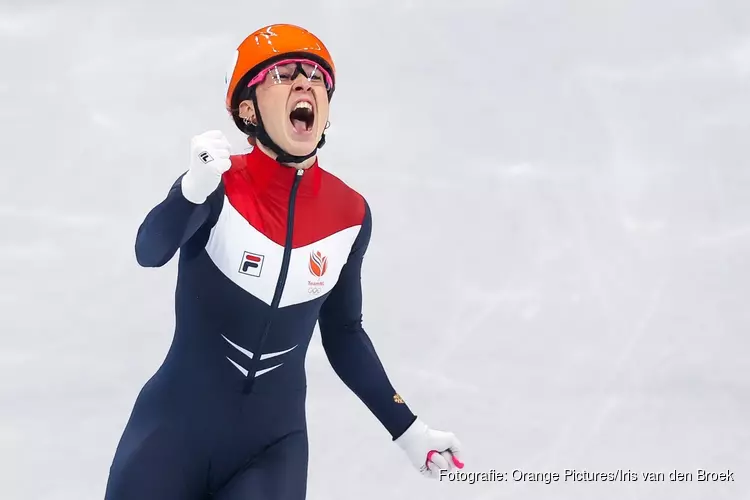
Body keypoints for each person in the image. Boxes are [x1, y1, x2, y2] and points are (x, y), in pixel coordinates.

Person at [104, 23, 463, 500]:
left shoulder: (349, 214)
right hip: (172, 436)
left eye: (316, 75)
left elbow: (344, 334)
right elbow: (149, 251)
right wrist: (191, 190)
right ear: (248, 110)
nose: (304, 83)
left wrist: (409, 429)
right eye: (283, 74)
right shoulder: (218, 186)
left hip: (272, 452)